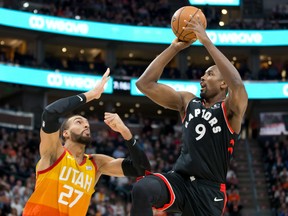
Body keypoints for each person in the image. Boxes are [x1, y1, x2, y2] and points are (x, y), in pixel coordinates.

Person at [132, 14, 248, 216]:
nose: (203, 77)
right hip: (179, 181)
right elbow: (144, 84)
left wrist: (206, 41)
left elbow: (237, 84)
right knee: (142, 188)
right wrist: (174, 48)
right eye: (203, 74)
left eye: (210, 74)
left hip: (209, 191)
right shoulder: (188, 102)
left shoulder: (230, 110)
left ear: (223, 84)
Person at [22, 68, 151, 216]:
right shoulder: (54, 153)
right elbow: (50, 113)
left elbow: (142, 170)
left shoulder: (96, 164)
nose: (85, 125)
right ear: (65, 133)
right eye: (79, 122)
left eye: (87, 124)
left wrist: (125, 132)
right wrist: (92, 94)